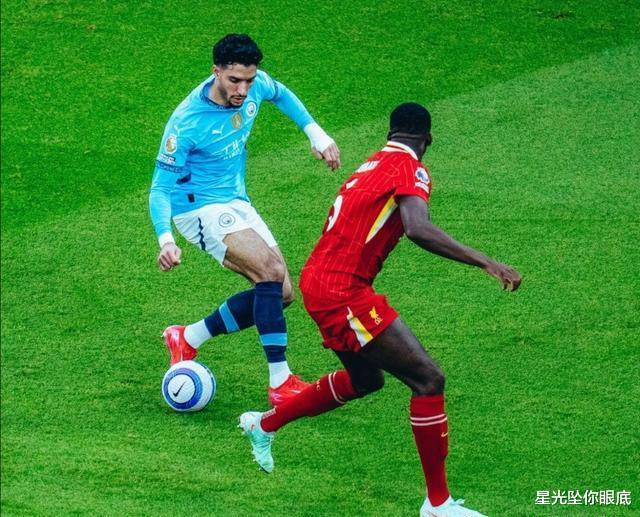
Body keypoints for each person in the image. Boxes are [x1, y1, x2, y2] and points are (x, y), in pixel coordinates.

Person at [238, 103, 522, 516]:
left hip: (320, 280)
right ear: (427, 140)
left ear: (391, 134)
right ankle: (437, 504)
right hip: (343, 291)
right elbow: (417, 227)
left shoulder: (371, 165)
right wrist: (486, 261)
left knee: (365, 379)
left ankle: (263, 425)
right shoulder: (411, 169)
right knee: (428, 380)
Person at [149, 34, 341, 406]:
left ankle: (187, 337)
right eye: (234, 80)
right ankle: (280, 382)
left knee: (282, 294)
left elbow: (280, 93)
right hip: (197, 208)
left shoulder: (255, 85)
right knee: (269, 272)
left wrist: (315, 134)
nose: (243, 90)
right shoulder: (186, 122)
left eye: (249, 80)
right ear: (216, 72)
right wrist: (165, 240)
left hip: (236, 200)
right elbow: (159, 188)